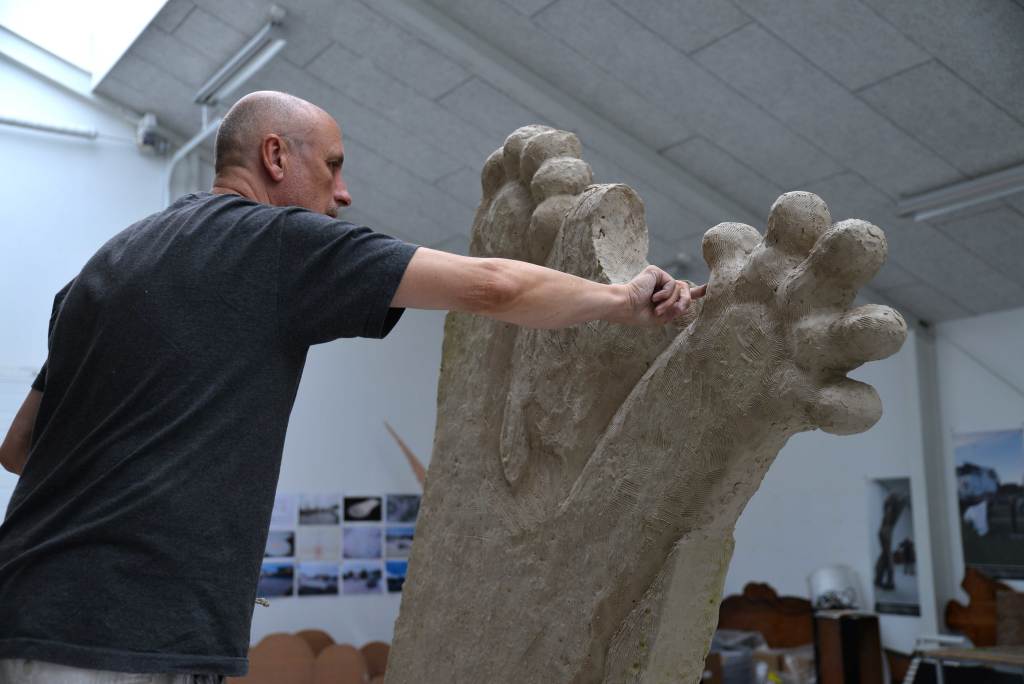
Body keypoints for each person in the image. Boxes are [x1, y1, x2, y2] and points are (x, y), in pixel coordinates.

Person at [0, 91, 704, 683]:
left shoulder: (102, 268)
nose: (343, 193)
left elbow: (20, 447)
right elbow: (493, 286)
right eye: (332, 166)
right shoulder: (276, 244)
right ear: (276, 157)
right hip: (124, 638)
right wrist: (622, 301)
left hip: (24, 608)